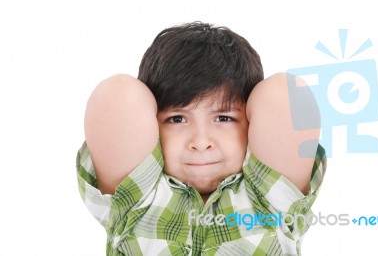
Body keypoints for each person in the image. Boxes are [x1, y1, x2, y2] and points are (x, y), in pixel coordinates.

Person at [77, 22, 326, 255]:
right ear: (151, 123)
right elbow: (117, 96)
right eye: (177, 119)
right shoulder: (134, 203)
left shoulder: (272, 202)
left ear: (253, 122)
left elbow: (285, 95)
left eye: (223, 118)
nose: (200, 141)